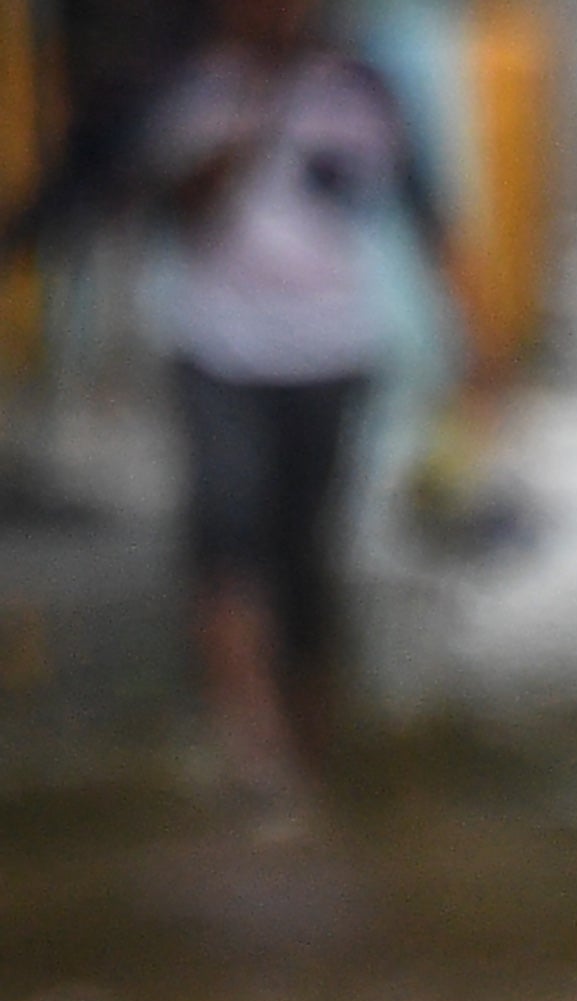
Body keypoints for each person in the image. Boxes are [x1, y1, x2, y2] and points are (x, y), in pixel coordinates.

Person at [112, 0, 451, 820]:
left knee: (306, 558)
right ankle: (251, 747)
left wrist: (478, 343)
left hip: (330, 354)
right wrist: (254, 122)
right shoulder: (185, 88)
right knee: (226, 535)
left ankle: (310, 757)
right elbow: (168, 206)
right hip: (217, 349)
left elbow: (424, 210)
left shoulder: (362, 90)